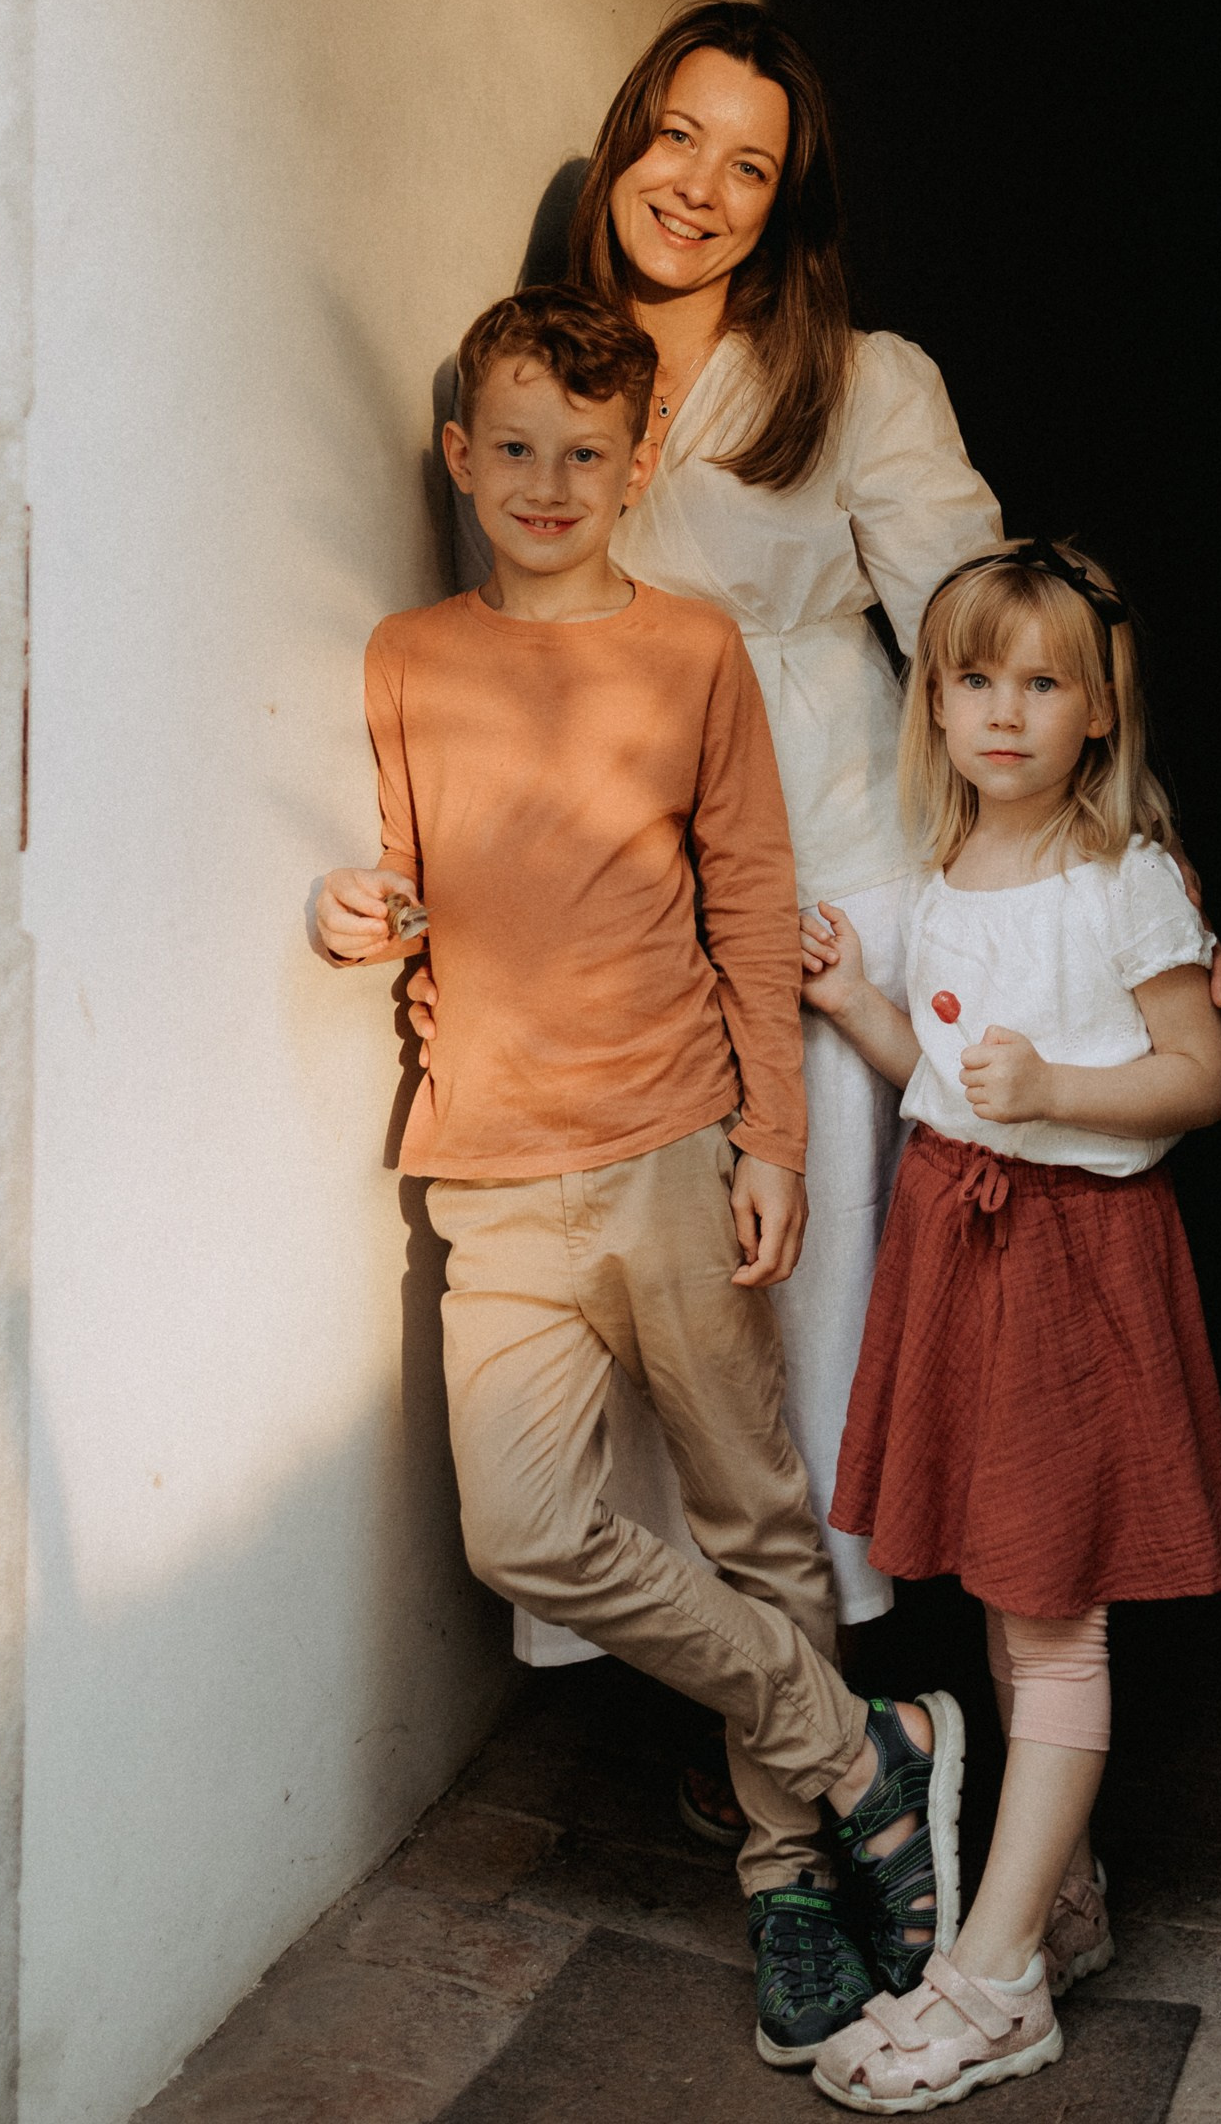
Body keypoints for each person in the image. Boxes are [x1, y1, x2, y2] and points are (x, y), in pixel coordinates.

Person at [312, 286, 965, 2067]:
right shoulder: (407, 656)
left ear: (637, 461)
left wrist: (772, 1136)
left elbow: (751, 904)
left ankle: (784, 1884)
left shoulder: (691, 654)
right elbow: (416, 868)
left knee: (758, 1521)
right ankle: (858, 1754)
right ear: (459, 455)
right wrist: (351, 912)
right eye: (512, 449)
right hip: (497, 1175)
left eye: (582, 455)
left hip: (678, 1142)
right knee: (523, 1528)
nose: (545, 483)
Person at [424, 1, 1007, 1729]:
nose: (700, 187)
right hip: (623, 921)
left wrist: (1129, 877)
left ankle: (882, 1723)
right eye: (679, 137)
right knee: (658, 1354)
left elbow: (987, 634)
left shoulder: (864, 379)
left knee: (807, 1337)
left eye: (750, 166)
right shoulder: (551, 380)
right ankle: (772, 1730)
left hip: (827, 892)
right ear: (624, 138)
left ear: (786, 208)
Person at [797, 536, 1221, 2111]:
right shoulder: (947, 874)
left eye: (1043, 682)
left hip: (1070, 1261)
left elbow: (1198, 1074)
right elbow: (934, 1063)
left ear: (1100, 712)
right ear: (933, 701)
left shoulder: (1127, 884)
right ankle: (1057, 1898)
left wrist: (1058, 1091)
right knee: (1004, 1592)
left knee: (1054, 1616)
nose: (1004, 710)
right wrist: (857, 995)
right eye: (974, 678)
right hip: (961, 1252)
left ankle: (988, 1988)